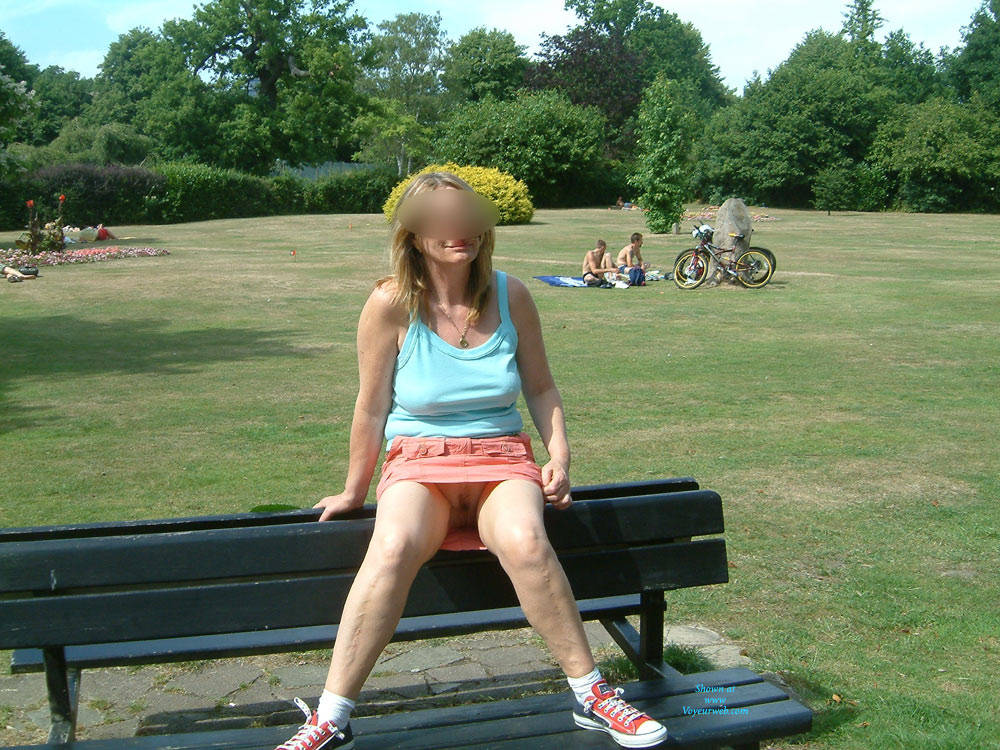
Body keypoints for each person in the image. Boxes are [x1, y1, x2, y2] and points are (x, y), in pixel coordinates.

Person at [275, 172, 667, 750]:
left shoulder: (512, 295)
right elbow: (371, 406)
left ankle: (593, 696)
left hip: (501, 459)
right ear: (413, 233)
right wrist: (355, 490)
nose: (459, 232)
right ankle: (331, 719)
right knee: (391, 546)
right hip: (419, 462)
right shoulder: (390, 304)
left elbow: (541, 388)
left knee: (527, 541)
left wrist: (558, 456)